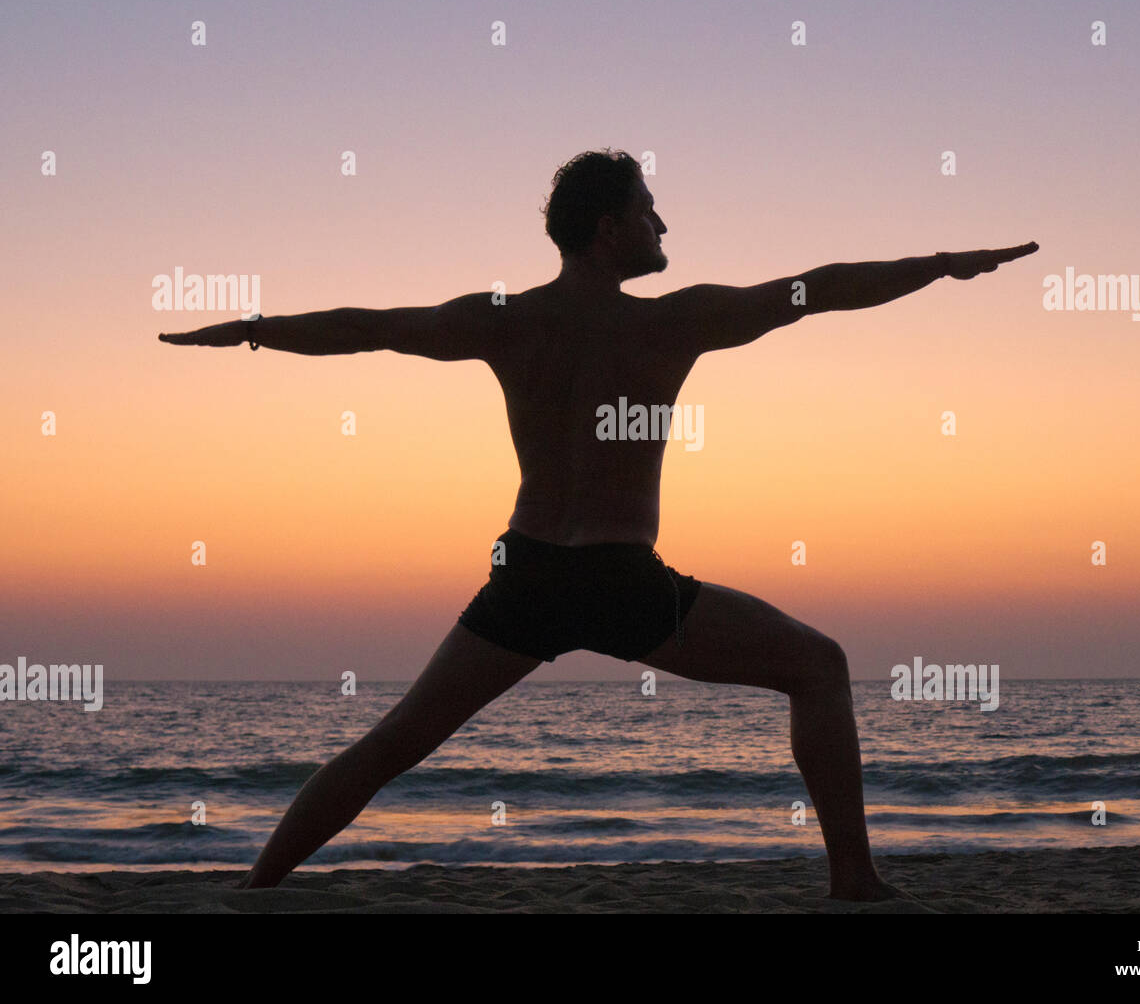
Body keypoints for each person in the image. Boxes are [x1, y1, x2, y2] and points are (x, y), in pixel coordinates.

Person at [159, 148, 1038, 900]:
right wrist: (940, 264)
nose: (666, 229)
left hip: (530, 577)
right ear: (611, 228)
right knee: (822, 666)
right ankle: (853, 884)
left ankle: (256, 890)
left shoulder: (506, 321)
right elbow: (818, 290)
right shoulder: (679, 320)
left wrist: (251, 331)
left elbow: (369, 327)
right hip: (624, 585)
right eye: (652, 213)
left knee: (390, 745)